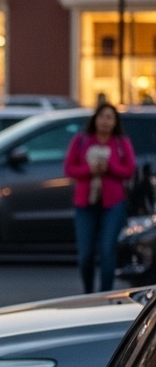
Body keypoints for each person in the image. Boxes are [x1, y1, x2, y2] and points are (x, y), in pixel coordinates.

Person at [64, 103, 135, 293]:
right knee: (86, 254)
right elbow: (69, 168)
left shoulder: (120, 143)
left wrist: (109, 166)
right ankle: (88, 293)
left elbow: (129, 171)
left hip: (113, 204)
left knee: (107, 250)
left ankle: (106, 294)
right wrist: (90, 169)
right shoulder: (81, 140)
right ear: (95, 119)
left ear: (115, 122)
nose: (105, 121)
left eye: (109, 117)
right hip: (85, 203)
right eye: (102, 116)